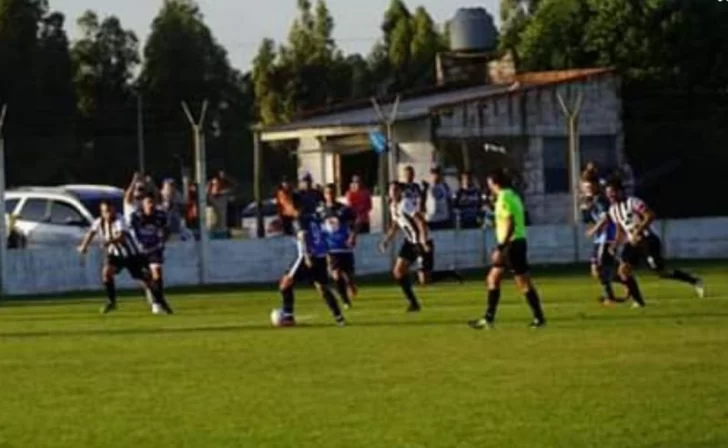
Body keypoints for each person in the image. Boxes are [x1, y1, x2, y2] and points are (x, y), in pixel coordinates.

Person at [604, 178, 704, 308]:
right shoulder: (613, 210)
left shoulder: (633, 202)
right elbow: (620, 230)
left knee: (661, 272)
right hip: (633, 243)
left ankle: (694, 280)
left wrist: (638, 231)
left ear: (620, 191)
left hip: (648, 240)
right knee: (623, 271)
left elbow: (650, 215)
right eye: (608, 193)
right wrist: (615, 243)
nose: (610, 196)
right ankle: (640, 303)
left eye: (612, 192)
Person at [469, 169, 546, 329]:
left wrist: (501, 247)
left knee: (523, 282)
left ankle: (539, 317)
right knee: (493, 279)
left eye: (489, 184)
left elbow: (510, 221)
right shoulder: (513, 195)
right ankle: (488, 319)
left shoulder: (504, 198)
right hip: (514, 243)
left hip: (512, 244)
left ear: (494, 183)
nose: (489, 187)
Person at [77, 200, 171, 315]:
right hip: (115, 255)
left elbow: (121, 237)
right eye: (105, 211)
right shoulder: (99, 222)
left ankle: (160, 301)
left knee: (146, 280)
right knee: (106, 273)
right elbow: (91, 232)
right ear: (101, 212)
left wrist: (108, 242)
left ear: (113, 210)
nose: (107, 214)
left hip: (131, 255)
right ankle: (111, 301)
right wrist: (84, 246)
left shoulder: (119, 219)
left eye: (109, 211)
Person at [272, 205, 346, 327]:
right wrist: (327, 255)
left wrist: (306, 256)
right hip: (320, 257)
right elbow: (324, 236)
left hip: (307, 258)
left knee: (285, 284)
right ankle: (339, 318)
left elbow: (303, 236)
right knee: (322, 287)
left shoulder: (299, 220)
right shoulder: (314, 219)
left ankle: (288, 316)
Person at [580, 175, 627, 306]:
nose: (587, 189)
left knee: (599, 268)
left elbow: (606, 218)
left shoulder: (600, 199)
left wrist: (593, 230)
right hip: (600, 238)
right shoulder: (592, 200)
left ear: (595, 186)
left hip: (607, 236)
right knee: (596, 270)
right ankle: (626, 282)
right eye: (585, 187)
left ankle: (610, 297)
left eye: (589, 187)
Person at [129, 193, 173, 314]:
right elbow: (131, 232)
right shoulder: (136, 216)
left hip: (154, 249)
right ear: (143, 205)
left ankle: (157, 302)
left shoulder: (160, 216)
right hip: (139, 250)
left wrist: (164, 239)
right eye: (148, 203)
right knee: (146, 280)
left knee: (157, 273)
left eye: (152, 202)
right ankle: (155, 297)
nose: (151, 205)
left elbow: (167, 230)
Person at [321, 183, 358, 309]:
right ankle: (345, 300)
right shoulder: (321, 211)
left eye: (332, 193)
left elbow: (354, 223)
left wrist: (353, 236)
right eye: (327, 193)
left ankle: (351, 285)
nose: (329, 196)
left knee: (350, 278)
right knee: (336, 274)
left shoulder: (344, 209)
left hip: (345, 247)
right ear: (324, 195)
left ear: (335, 194)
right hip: (331, 248)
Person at [422, 166, 453, 230]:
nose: (436, 175)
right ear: (430, 175)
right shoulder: (427, 187)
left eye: (437, 173)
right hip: (431, 219)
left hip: (444, 219)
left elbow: (449, 200)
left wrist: (450, 216)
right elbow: (421, 202)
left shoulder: (445, 186)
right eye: (433, 173)